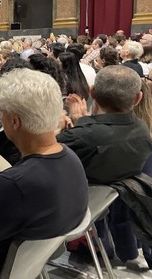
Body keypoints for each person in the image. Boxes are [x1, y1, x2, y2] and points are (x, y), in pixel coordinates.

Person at [0, 68, 88, 278]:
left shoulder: (15, 183)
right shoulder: (70, 157)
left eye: (1, 113)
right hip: (31, 260)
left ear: (14, 121)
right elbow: (28, 193)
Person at [57, 65, 152, 271]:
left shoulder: (81, 136)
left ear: (91, 93)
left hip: (79, 206)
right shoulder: (142, 130)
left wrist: (70, 126)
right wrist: (82, 123)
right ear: (137, 98)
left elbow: (47, 152)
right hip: (109, 200)